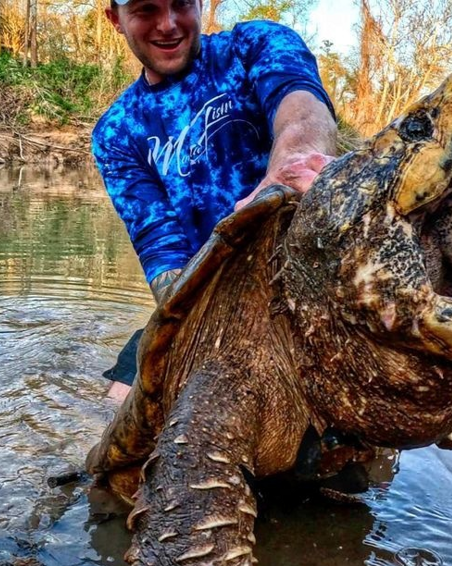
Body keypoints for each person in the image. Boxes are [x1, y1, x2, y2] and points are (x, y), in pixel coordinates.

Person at [92, 0, 337, 401]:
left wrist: (295, 160)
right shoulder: (117, 132)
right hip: (211, 300)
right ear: (115, 19)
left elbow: (299, 101)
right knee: (119, 401)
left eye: (181, 4)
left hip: (313, 289)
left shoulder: (253, 45)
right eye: (146, 9)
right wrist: (208, 326)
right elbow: (161, 248)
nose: (168, 25)